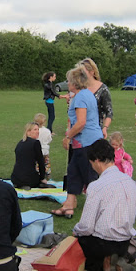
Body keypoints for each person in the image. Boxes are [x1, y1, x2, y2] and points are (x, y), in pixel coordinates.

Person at [73, 139, 136, 271]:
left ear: (97, 161)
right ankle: (120, 259)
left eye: (91, 163)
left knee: (77, 247)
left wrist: (76, 232)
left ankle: (104, 263)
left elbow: (86, 226)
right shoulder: (131, 183)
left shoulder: (97, 186)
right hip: (124, 241)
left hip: (102, 243)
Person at [52, 67, 102, 218]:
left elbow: (81, 123)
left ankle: (98, 208)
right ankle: (69, 204)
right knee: (73, 171)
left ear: (75, 82)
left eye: (69, 80)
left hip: (87, 142)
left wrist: (68, 136)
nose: (67, 83)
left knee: (89, 175)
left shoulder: (80, 97)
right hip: (85, 141)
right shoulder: (87, 94)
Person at [10, 122, 50, 190]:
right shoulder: (35, 143)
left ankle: (22, 185)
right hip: (29, 178)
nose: (37, 132)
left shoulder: (20, 143)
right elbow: (41, 162)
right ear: (28, 132)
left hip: (15, 178)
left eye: (38, 129)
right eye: (35, 130)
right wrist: (42, 178)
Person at [80, 58, 113, 138]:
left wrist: (105, 128)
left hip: (96, 131)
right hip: (80, 131)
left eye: (83, 72)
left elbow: (109, 112)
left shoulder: (103, 89)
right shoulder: (80, 88)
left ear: (92, 72)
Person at [34, 113, 52, 181]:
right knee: (46, 163)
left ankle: (37, 174)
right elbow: (49, 139)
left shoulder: (35, 130)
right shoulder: (47, 131)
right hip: (45, 150)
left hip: (37, 150)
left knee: (37, 163)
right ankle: (47, 175)